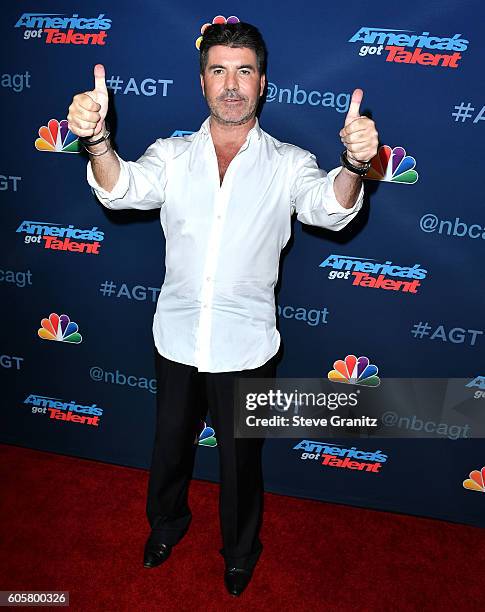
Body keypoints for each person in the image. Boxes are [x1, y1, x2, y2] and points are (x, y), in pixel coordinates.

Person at [67, 22, 378, 597]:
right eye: (218, 71)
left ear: (262, 84)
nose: (230, 85)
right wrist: (98, 141)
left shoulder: (289, 163)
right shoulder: (171, 154)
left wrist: (356, 166)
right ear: (202, 82)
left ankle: (239, 552)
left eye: (243, 71)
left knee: (242, 467)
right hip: (177, 340)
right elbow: (120, 188)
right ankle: (166, 526)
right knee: (168, 450)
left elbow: (328, 208)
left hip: (247, 347)